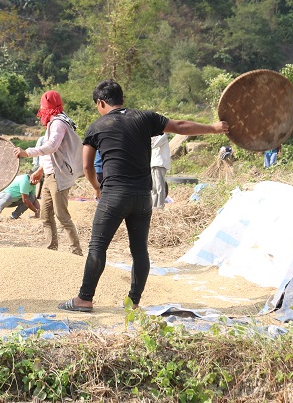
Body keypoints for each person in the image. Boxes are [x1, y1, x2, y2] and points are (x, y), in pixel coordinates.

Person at [57, 80, 229, 313]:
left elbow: (87, 166)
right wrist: (214, 128)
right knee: (139, 250)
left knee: (98, 246)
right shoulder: (145, 118)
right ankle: (133, 302)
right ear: (123, 100)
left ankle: (85, 299)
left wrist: (97, 188)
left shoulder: (97, 126)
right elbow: (180, 125)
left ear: (100, 102)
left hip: (114, 195)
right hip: (142, 197)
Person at [16, 90, 84, 255]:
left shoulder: (58, 123)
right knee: (46, 215)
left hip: (58, 176)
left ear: (48, 107)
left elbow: (52, 146)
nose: (40, 110)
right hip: (49, 176)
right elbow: (53, 154)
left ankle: (76, 251)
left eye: (42, 106)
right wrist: (40, 170)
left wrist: (27, 152)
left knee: (61, 215)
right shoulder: (56, 122)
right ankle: (51, 249)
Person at [150, 134, 170, 209]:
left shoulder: (162, 136)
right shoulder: (155, 137)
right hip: (154, 163)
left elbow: (153, 145)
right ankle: (154, 205)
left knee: (160, 186)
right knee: (154, 188)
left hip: (160, 163)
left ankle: (160, 205)